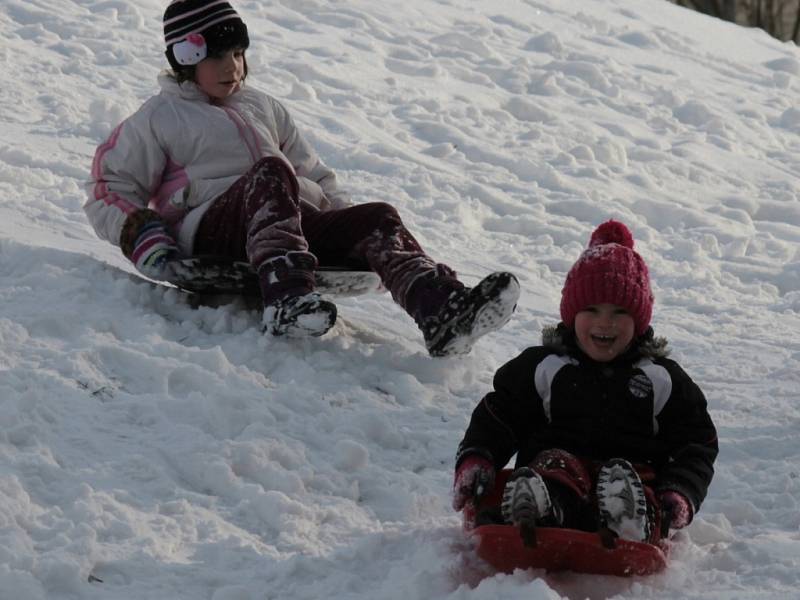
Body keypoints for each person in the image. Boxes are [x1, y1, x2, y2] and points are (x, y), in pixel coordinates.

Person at [84, 0, 520, 356]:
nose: (231, 66)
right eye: (216, 56)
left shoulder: (264, 107)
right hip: (212, 229)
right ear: (185, 59)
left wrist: (350, 232)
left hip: (281, 219)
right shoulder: (160, 117)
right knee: (271, 174)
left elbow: (314, 175)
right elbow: (108, 186)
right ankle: (286, 297)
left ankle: (440, 310)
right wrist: (142, 233)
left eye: (237, 54)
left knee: (376, 216)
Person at [452, 220, 718, 545]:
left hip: (632, 481)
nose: (604, 322)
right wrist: (477, 458)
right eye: (591, 309)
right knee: (555, 467)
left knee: (633, 483)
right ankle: (536, 513)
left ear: (639, 319)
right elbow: (500, 416)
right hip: (557, 477)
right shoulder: (545, 367)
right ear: (571, 314)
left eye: (619, 312)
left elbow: (695, 443)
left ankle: (630, 522)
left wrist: (680, 492)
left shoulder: (660, 378)